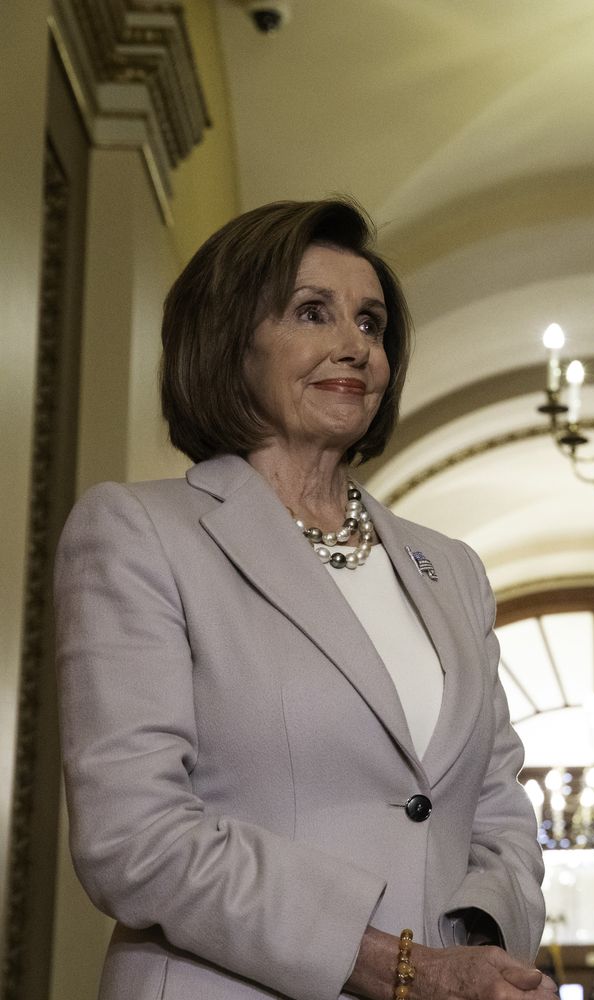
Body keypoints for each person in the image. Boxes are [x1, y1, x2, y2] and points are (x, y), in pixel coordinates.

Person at [56, 199, 556, 1000]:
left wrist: (476, 947)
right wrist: (398, 968)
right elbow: (133, 836)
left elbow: (498, 808)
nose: (353, 344)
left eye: (371, 322)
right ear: (231, 341)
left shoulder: (451, 567)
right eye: (312, 313)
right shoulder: (139, 533)